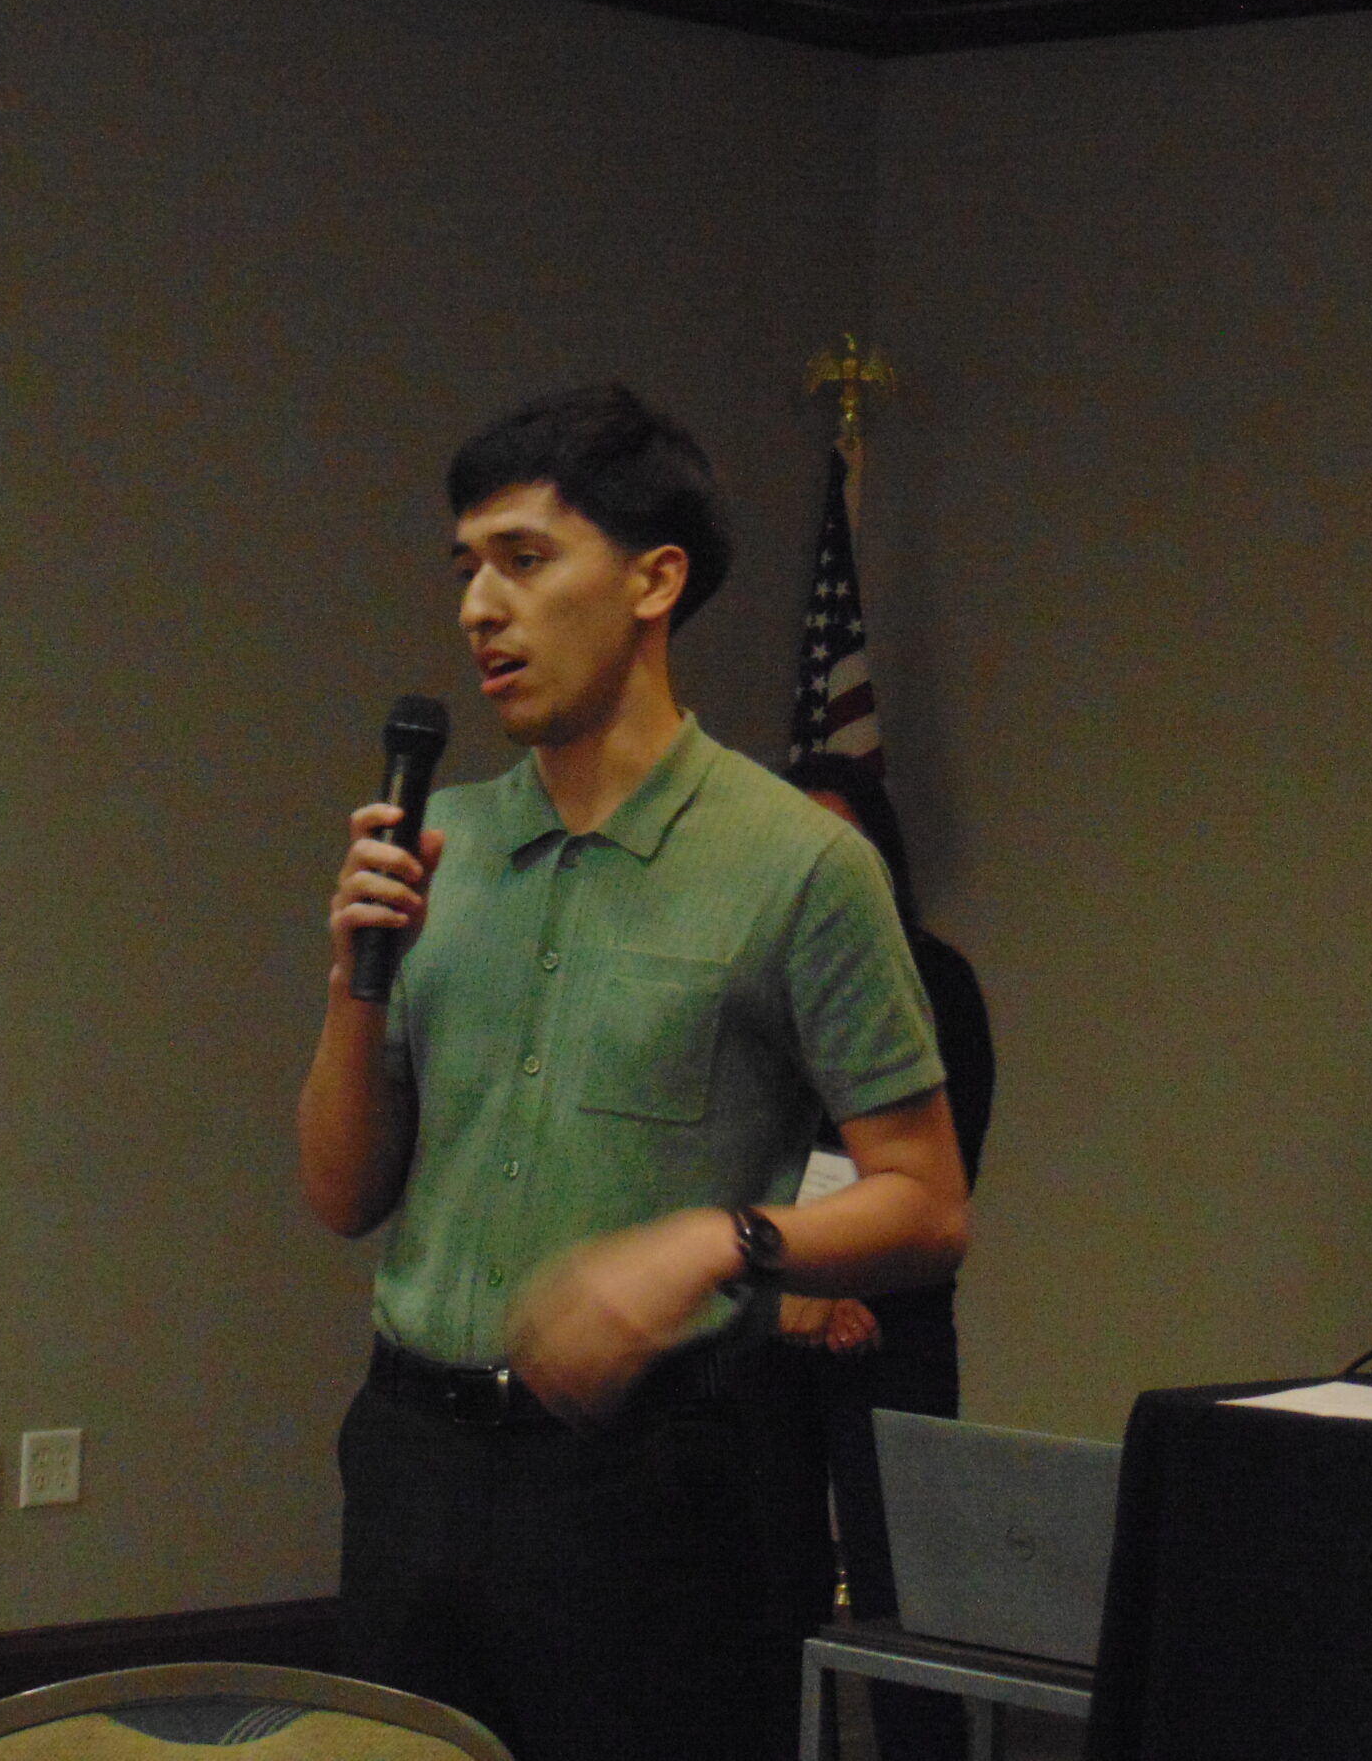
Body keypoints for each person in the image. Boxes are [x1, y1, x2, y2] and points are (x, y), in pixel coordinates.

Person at [297, 383, 971, 1761]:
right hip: (412, 1461)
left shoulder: (800, 866)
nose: (479, 609)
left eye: (524, 560)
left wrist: (713, 1243)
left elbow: (926, 1204)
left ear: (654, 581)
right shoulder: (442, 849)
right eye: (466, 569)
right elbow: (340, 1192)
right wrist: (349, 987)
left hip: (655, 1488)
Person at [758, 752, 997, 1761]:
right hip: (764, 1321)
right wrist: (793, 1288)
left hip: (892, 1322)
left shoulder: (933, 978)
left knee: (909, 1605)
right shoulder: (750, 979)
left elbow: (947, 1165)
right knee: (767, 1594)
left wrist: (841, 1282)